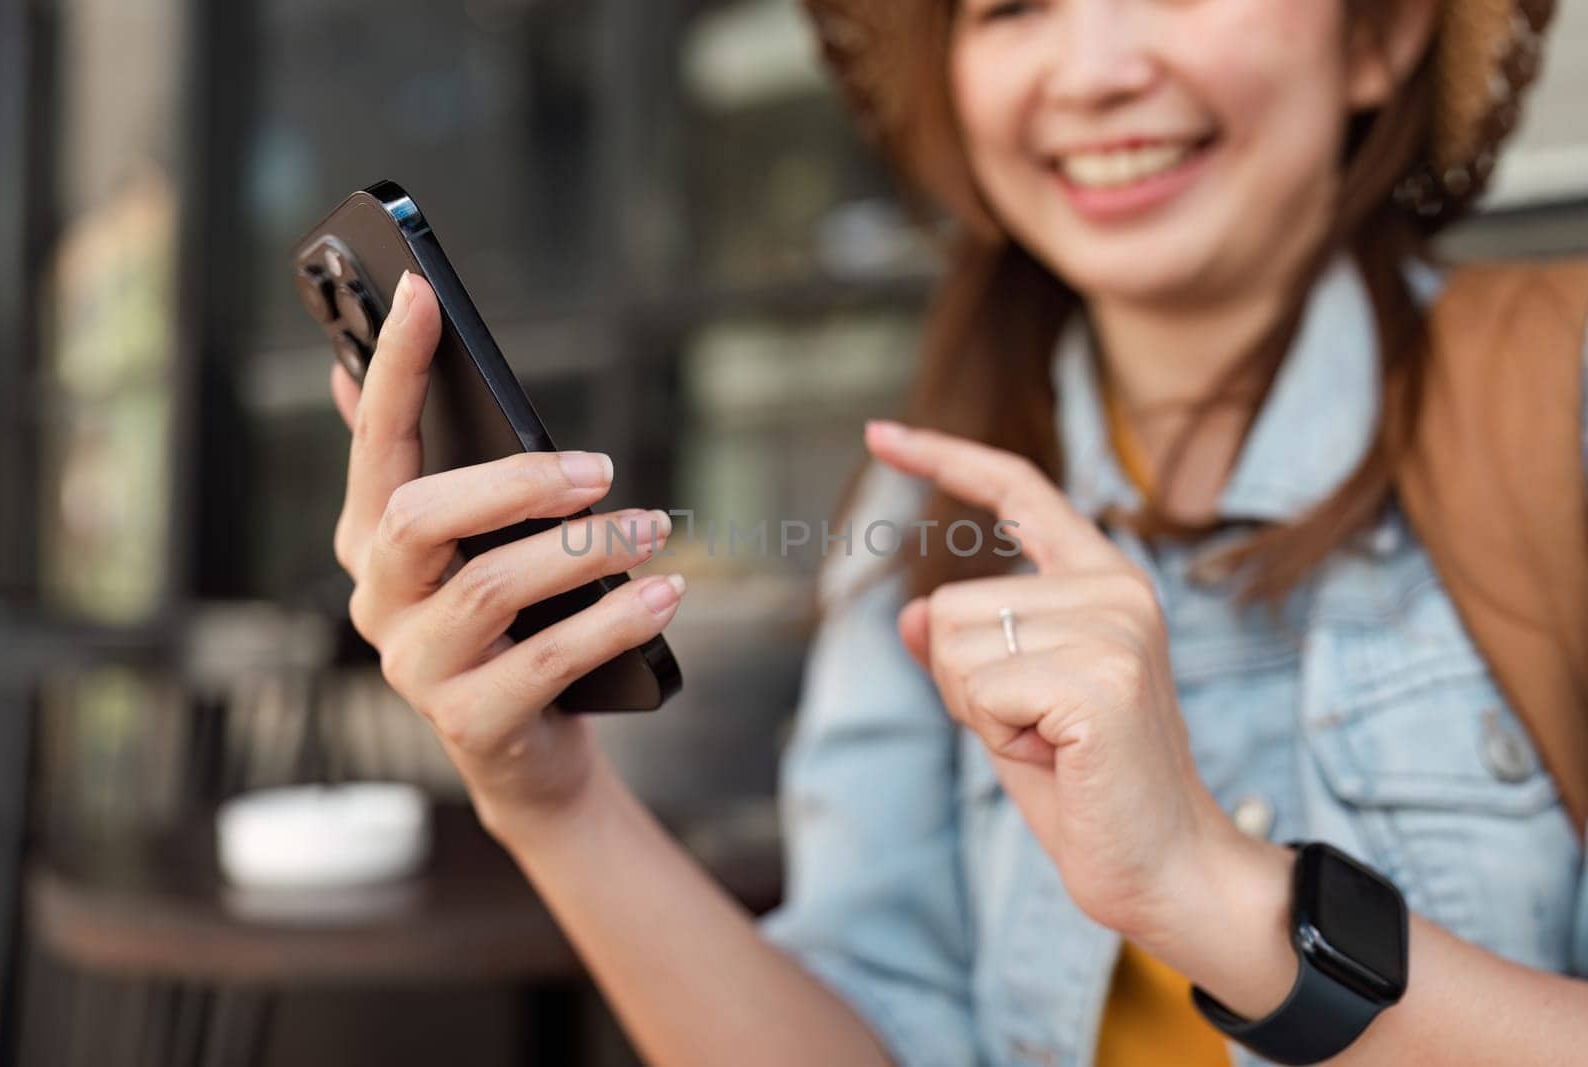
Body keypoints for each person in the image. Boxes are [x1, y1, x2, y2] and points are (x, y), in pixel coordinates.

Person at [326, 0, 1588, 1063]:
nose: (1094, 71)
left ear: (1381, 36)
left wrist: (1216, 892)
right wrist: (548, 799)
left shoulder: (1558, 404)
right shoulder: (928, 507)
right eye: (1010, 4)